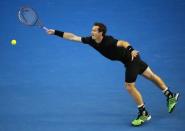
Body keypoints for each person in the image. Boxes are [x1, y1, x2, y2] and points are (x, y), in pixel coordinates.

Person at [47, 22, 179, 126]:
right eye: (92, 30)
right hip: (130, 61)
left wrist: (131, 49)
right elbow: (73, 37)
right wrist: (55, 32)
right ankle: (170, 95)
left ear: (101, 33)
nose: (91, 32)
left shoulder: (109, 41)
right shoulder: (91, 40)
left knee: (129, 86)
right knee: (151, 76)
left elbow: (122, 42)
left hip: (132, 59)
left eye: (94, 30)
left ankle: (143, 113)